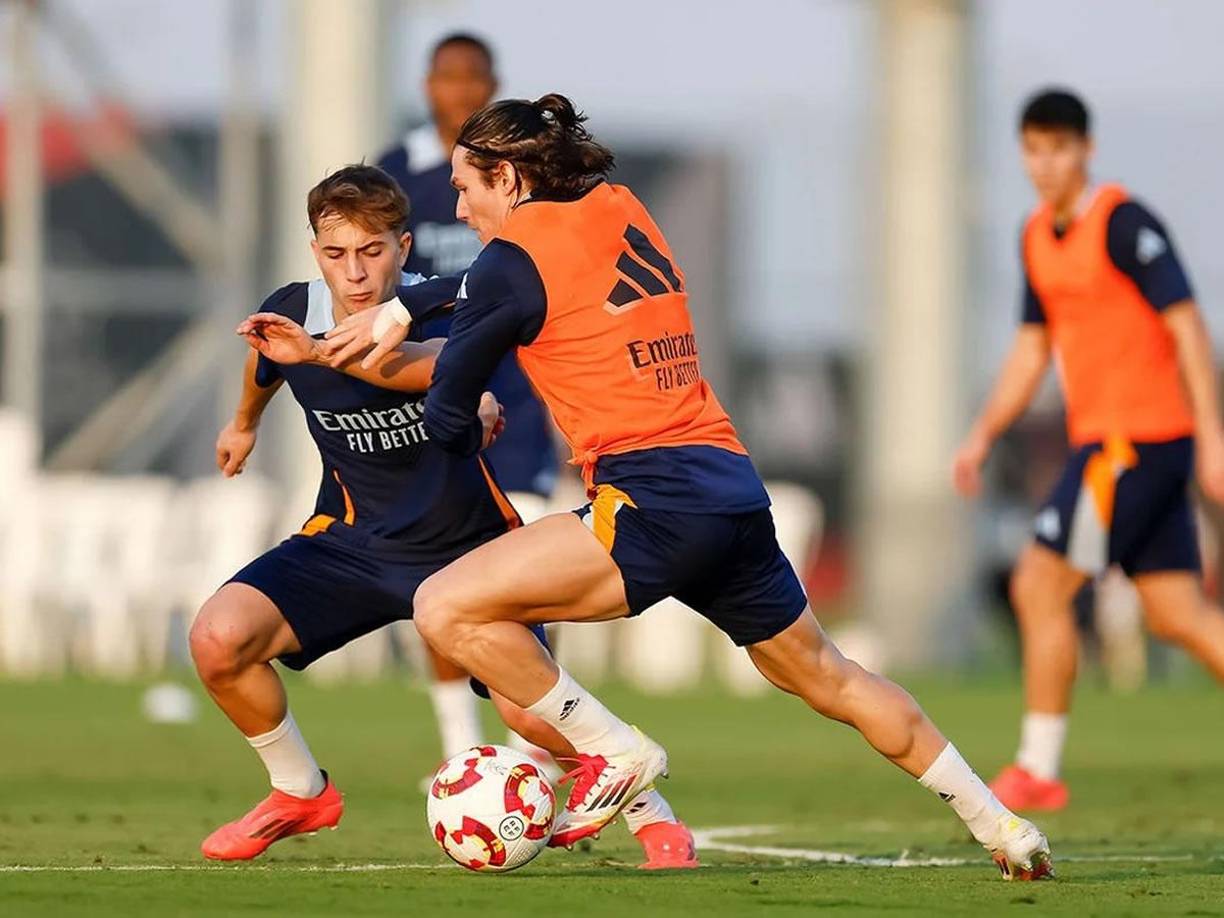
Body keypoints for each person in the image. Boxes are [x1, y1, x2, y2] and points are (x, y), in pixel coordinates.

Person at [320, 94, 1053, 880]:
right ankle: (1003, 826)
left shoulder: (509, 262)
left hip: (651, 497)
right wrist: (404, 306)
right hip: (730, 489)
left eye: (468, 186)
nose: (459, 207)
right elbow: (494, 283)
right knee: (831, 675)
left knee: (444, 606)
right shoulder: (618, 204)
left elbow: (450, 405)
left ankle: (613, 750)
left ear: (508, 176)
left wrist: (464, 420)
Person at [195, 164, 694, 868]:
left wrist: (324, 356)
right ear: (316, 254)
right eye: (337, 254)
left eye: (373, 252)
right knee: (218, 639)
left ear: (404, 247)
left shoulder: (449, 310)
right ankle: (298, 791)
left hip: (470, 553)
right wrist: (243, 422)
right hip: (352, 544)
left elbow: (429, 366)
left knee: (533, 711)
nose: (357, 272)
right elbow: (265, 359)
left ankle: (653, 816)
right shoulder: (294, 310)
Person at [952, 87, 1224, 812]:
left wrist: (1214, 439)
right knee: (1177, 616)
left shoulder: (1122, 222)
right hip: (1120, 446)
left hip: (1133, 444)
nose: (1045, 164)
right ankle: (1039, 765)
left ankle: (1038, 768)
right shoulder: (1036, 236)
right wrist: (982, 432)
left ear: (1086, 150)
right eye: (1034, 150)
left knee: (1038, 586)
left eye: (1059, 148)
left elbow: (1189, 326)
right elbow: (1031, 349)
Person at [374, 32, 561, 764]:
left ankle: (547, 742)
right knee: (444, 575)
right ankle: (461, 749)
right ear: (427, 85)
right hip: (436, 394)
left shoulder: (525, 176)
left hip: (515, 396)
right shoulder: (398, 173)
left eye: (473, 79)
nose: (459, 91)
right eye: (447, 78)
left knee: (539, 572)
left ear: (492, 84)